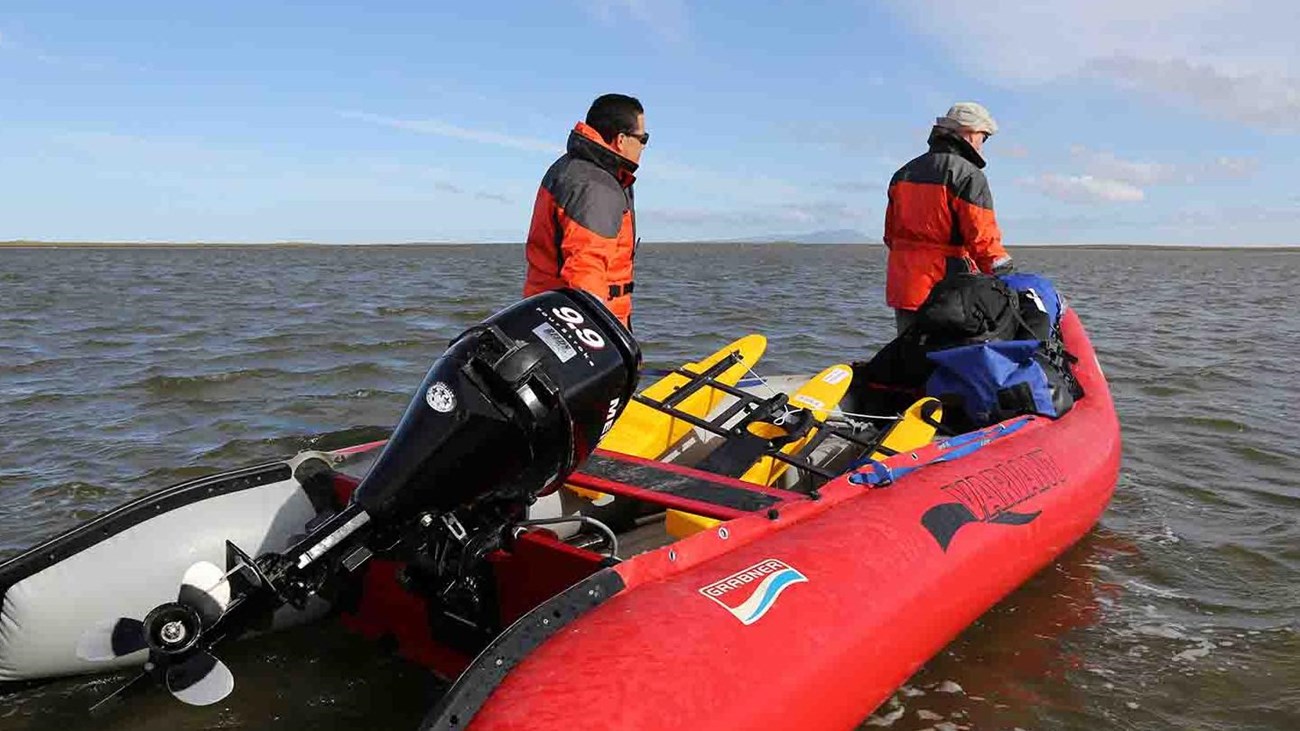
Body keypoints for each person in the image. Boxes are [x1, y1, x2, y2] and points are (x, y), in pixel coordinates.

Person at [883, 102, 1013, 335]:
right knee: (948, 359)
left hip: (903, 285)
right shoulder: (968, 175)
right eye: (984, 137)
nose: (983, 144)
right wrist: (1006, 274)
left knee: (909, 357)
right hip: (945, 288)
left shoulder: (903, 173)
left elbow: (890, 235)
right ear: (970, 133)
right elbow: (982, 239)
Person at [523, 93, 647, 329]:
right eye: (643, 139)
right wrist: (597, 338)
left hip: (548, 315)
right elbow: (586, 269)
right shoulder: (594, 185)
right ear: (621, 139)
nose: (643, 147)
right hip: (576, 327)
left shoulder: (574, 169)